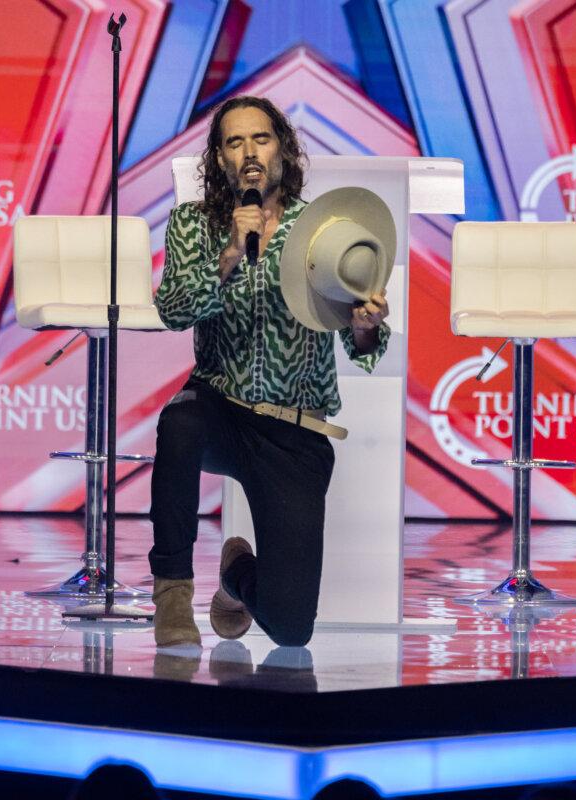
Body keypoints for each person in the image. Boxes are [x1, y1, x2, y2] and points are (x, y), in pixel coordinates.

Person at [148, 96, 390, 648]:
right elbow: (174, 311)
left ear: (282, 147)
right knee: (179, 423)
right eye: (234, 142)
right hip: (221, 407)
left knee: (291, 628)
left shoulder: (321, 229)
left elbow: (364, 349)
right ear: (220, 159)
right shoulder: (193, 223)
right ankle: (172, 593)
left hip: (293, 429)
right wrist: (230, 254)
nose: (249, 152)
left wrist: (364, 326)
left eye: (261, 138)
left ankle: (235, 573)